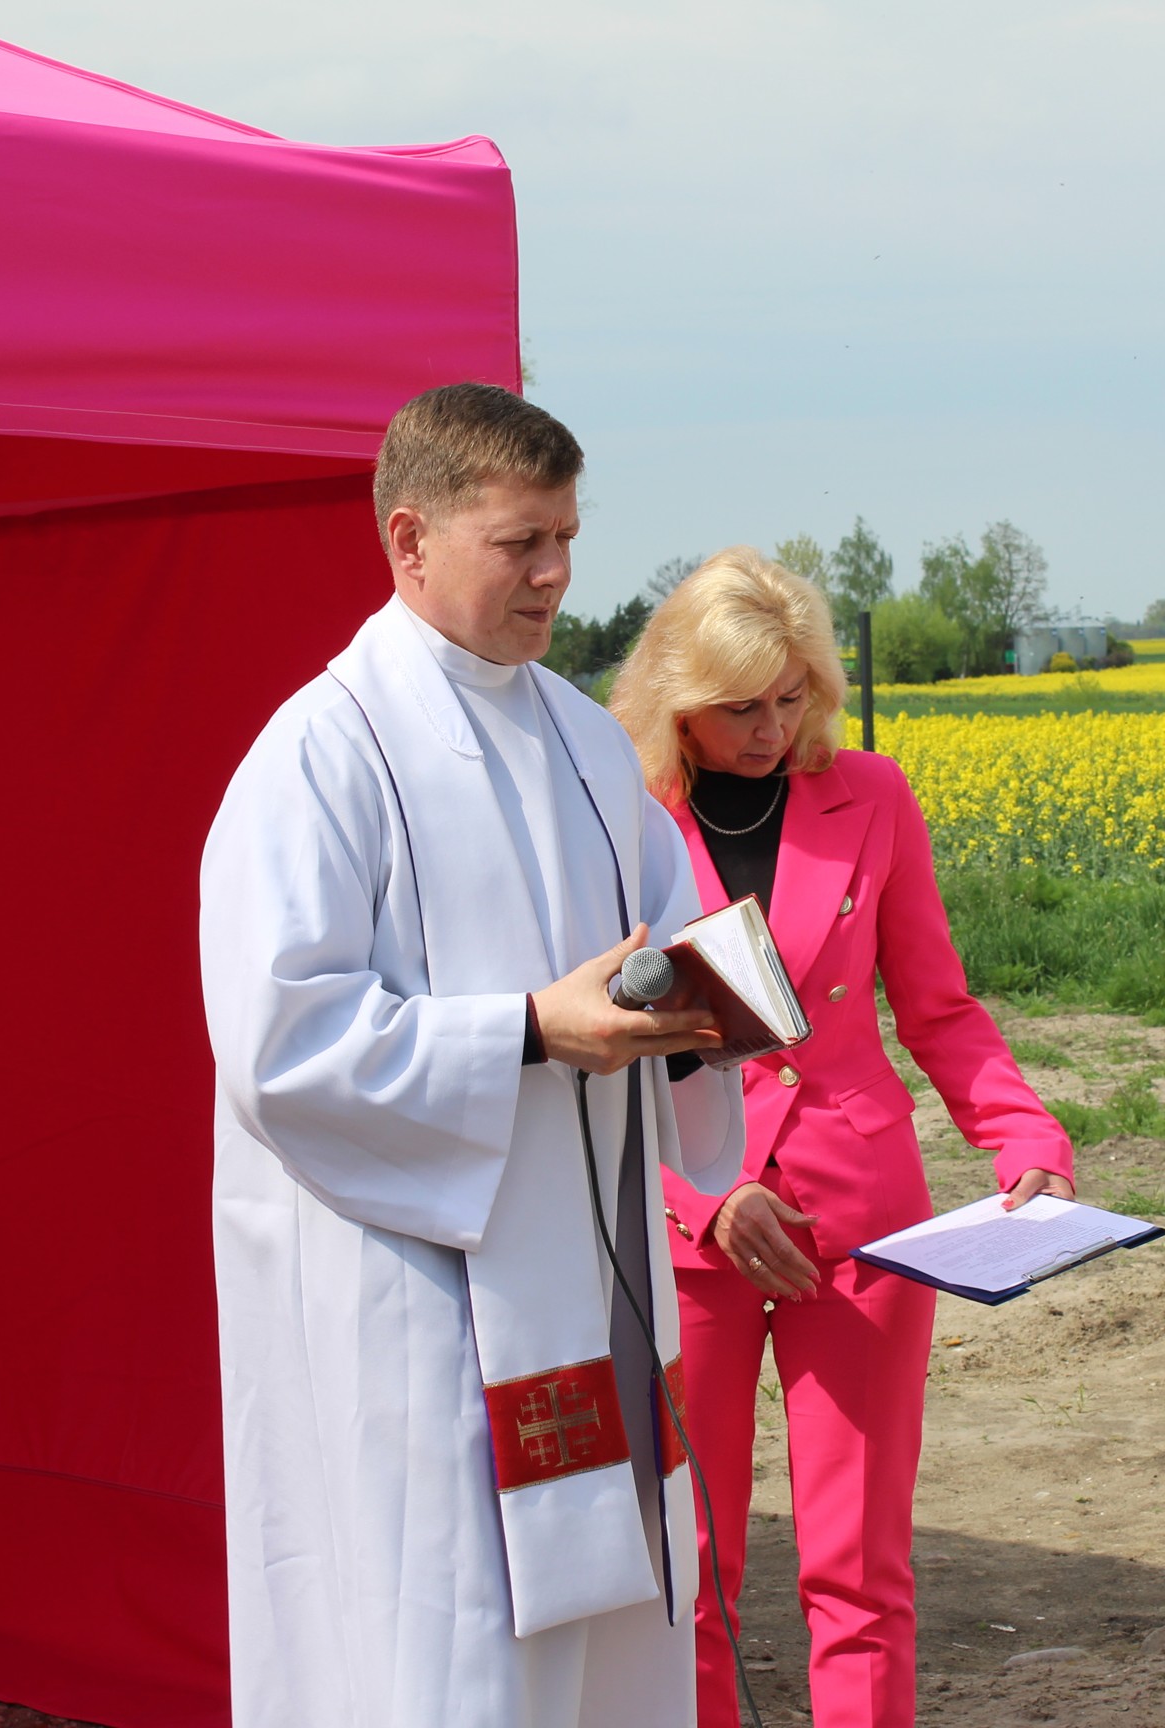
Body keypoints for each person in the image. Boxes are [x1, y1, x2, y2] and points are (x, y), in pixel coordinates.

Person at [200, 384, 747, 1728]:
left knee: (609, 1651)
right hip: (426, 1300)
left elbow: (662, 937)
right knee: (446, 1654)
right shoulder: (321, 752)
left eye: (567, 539)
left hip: (597, 1284)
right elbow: (281, 1042)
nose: (555, 574)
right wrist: (527, 1031)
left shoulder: (584, 739)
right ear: (410, 538)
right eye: (521, 543)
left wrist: (709, 1011)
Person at [608, 548, 1076, 1728]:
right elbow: (596, 1055)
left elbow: (938, 1006)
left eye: (792, 696)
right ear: (676, 701)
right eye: (739, 708)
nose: (772, 730)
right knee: (689, 1569)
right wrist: (704, 1199)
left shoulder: (874, 795)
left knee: (860, 1567)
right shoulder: (618, 819)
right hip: (688, 1230)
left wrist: (1023, 1135)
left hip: (861, 1227)